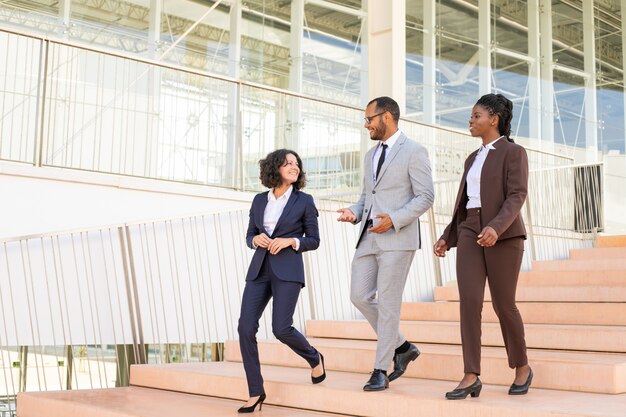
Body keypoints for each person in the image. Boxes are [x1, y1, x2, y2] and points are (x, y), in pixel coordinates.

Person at [433, 93, 533, 400]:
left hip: (504, 235)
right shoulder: (472, 158)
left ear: (494, 119)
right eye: (472, 116)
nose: (471, 120)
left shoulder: (513, 152)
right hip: (469, 231)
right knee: (469, 302)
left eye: (477, 116)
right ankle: (471, 374)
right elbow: (464, 204)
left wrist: (496, 226)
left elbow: (517, 195)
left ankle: (522, 367)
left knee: (504, 304)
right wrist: (448, 236)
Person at [337, 96, 435, 391]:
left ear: (387, 117)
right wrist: (353, 212)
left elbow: (426, 197)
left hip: (398, 239)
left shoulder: (415, 151)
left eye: (369, 119)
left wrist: (393, 219)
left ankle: (381, 368)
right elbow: (367, 197)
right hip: (367, 237)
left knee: (389, 305)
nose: (366, 124)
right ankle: (403, 346)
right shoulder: (369, 156)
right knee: (359, 296)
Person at [237, 149, 325, 413]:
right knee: (245, 328)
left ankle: (314, 357)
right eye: (288, 163)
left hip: (288, 270)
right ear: (275, 168)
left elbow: (314, 239)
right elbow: (250, 235)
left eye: (297, 163)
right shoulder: (258, 200)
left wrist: (291, 241)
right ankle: (255, 391)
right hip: (259, 270)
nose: (294, 166)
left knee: (281, 328)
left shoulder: (304, 200)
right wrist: (255, 240)